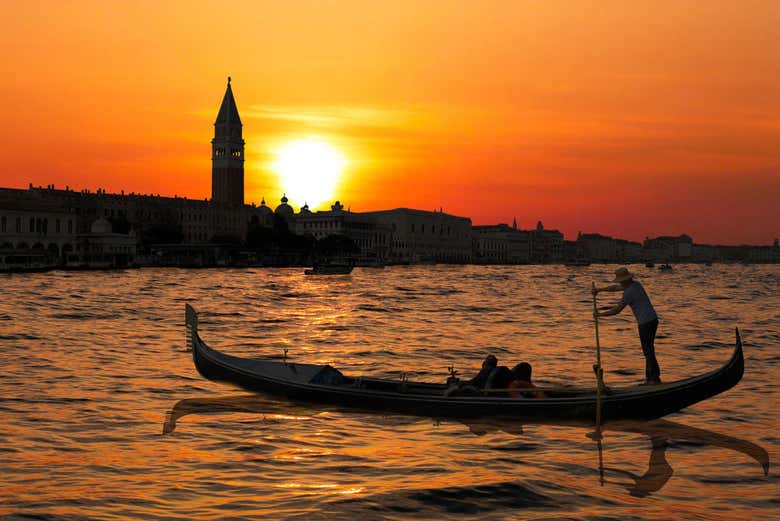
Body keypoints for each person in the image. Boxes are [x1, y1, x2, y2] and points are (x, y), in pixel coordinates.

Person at [593, 267, 661, 385]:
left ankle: (652, 379)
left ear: (624, 280)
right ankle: (653, 378)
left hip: (645, 322)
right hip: (653, 319)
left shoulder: (629, 292)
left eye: (620, 281)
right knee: (649, 350)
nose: (619, 283)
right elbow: (614, 288)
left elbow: (617, 310)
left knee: (648, 351)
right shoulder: (636, 285)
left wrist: (600, 315)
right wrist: (599, 290)